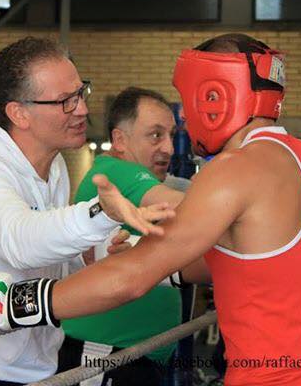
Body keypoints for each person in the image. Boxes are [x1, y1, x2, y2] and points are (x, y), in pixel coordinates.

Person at [0, 33, 301, 386]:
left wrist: (12, 303)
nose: (185, 118)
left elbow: (130, 281)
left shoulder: (236, 169)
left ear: (214, 97)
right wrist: (159, 259)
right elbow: (254, 260)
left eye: (185, 104)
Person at [0, 37, 173, 386]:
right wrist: (101, 212)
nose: (81, 109)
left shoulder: (53, 164)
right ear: (19, 113)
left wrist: (93, 257)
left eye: (80, 93)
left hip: (31, 366)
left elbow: (41, 263)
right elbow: (21, 241)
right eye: (65, 101)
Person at [58, 87, 185, 386]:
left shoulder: (145, 183)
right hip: (104, 356)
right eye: (155, 135)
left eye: (171, 135)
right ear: (119, 140)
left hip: (135, 356)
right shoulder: (118, 172)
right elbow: (189, 210)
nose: (169, 148)